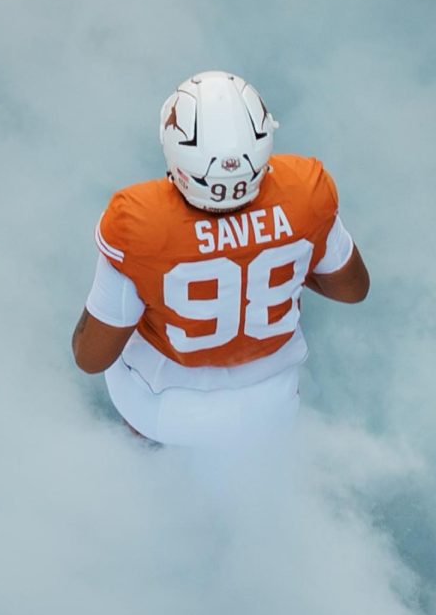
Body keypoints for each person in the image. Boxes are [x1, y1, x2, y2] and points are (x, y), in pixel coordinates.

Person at [72, 70, 369, 447]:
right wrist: (287, 250)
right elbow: (353, 289)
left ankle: (143, 448)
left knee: (123, 335)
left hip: (166, 413)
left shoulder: (139, 221)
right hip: (272, 407)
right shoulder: (306, 193)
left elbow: (90, 358)